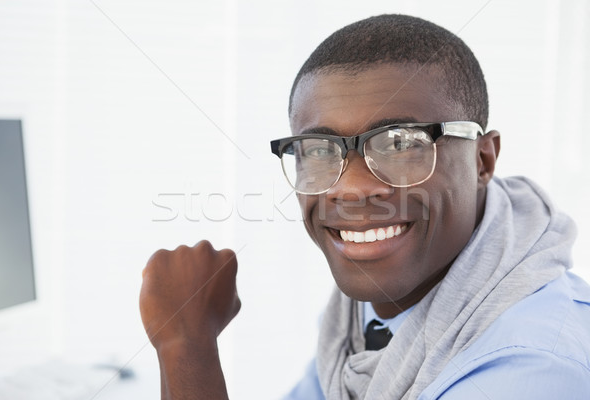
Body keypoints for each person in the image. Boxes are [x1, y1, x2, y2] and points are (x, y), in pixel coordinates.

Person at [139, 14, 590, 399]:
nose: (352, 188)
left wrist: (186, 346)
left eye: (400, 143)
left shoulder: (534, 369)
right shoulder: (360, 319)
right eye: (318, 149)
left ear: (482, 159)